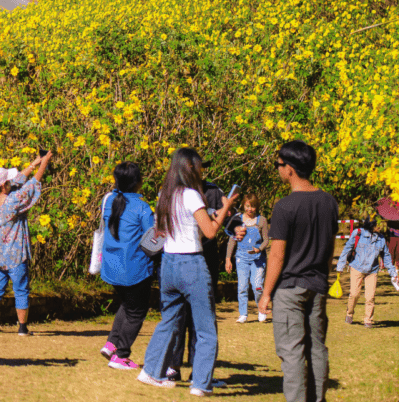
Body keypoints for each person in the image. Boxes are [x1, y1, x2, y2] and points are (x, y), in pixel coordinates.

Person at [137, 148, 237, 396]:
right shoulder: (192, 195)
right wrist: (226, 208)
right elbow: (211, 233)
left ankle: (151, 371)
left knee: (169, 321)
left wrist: (209, 217)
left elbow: (178, 230)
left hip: (168, 264)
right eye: (200, 166)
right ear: (191, 167)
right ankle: (201, 383)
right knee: (205, 328)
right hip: (191, 264)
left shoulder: (164, 194)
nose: (203, 171)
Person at [257, 140, 339, 402]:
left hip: (290, 290)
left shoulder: (284, 206)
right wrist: (324, 278)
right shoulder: (329, 202)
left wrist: (266, 293)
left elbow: (277, 255)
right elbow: (329, 248)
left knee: (292, 353)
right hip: (317, 286)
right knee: (317, 349)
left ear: (289, 168)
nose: (278, 169)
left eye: (278, 165)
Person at [0, 151, 52, 336]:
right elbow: (31, 186)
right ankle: (22, 327)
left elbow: (18, 180)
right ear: (4, 185)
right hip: (15, 254)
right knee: (21, 289)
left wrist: (33, 163)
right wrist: (44, 163)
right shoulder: (12, 201)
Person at [98, 161, 154, 370]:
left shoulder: (108, 200)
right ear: (138, 182)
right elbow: (152, 239)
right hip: (135, 267)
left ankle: (111, 343)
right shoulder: (141, 206)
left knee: (127, 304)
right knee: (137, 311)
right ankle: (121, 355)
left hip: (111, 266)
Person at [336, 216, 398, 328]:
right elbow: (347, 249)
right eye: (378, 224)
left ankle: (368, 320)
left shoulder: (381, 239)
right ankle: (349, 313)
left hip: (372, 271)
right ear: (371, 225)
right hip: (357, 268)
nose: (380, 226)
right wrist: (340, 265)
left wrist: (393, 273)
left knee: (370, 297)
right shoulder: (358, 234)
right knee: (354, 294)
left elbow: (387, 257)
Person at [226, 193, 270, 323]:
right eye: (247, 206)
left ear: (257, 207)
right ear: (244, 205)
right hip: (241, 258)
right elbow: (232, 241)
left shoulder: (261, 220)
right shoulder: (237, 219)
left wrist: (259, 249)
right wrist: (228, 258)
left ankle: (261, 310)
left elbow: (266, 240)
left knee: (257, 286)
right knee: (242, 287)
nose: (250, 209)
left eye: (253, 207)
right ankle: (243, 314)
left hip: (258, 258)